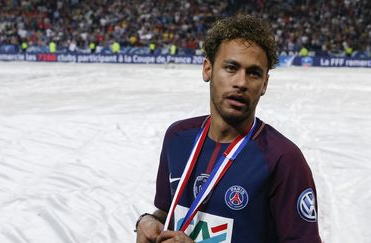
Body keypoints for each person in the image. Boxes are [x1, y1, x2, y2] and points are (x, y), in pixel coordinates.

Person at [135, 14, 322, 243]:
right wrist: (147, 221)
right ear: (208, 69)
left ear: (264, 84)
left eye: (253, 73)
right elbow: (167, 215)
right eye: (231, 67)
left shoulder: (282, 159)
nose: (241, 83)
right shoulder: (177, 138)